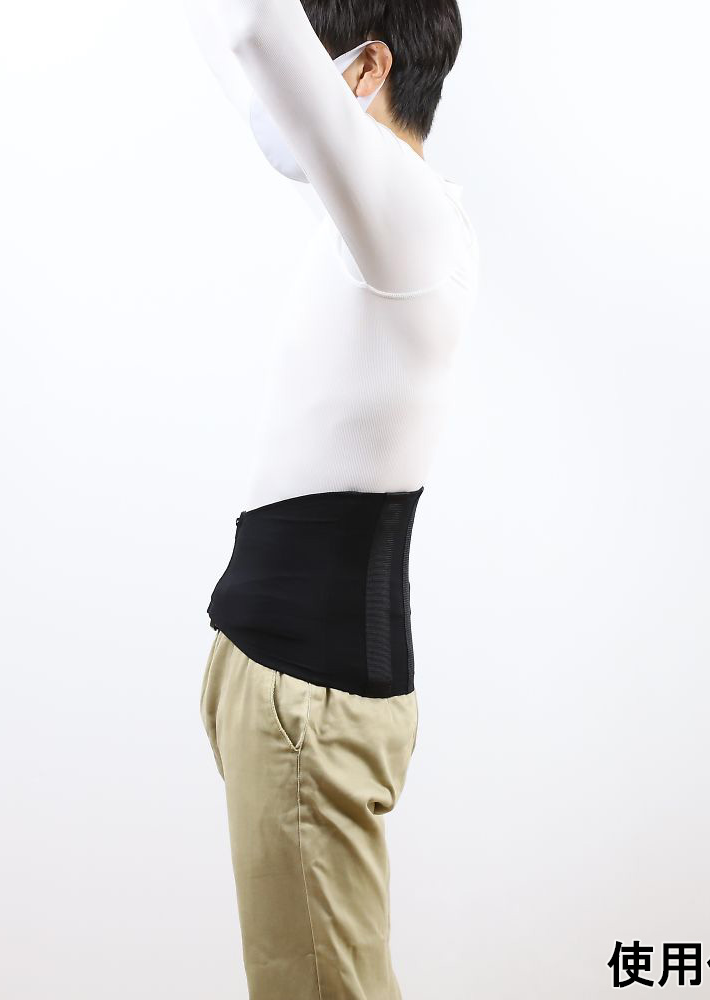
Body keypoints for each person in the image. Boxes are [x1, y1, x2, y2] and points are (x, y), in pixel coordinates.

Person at [190, 2, 478, 997]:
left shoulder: (409, 219)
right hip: (279, 687)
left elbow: (256, 31)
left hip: (306, 702)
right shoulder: (373, 222)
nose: (287, 104)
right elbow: (236, 54)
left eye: (313, 75)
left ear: (366, 71)